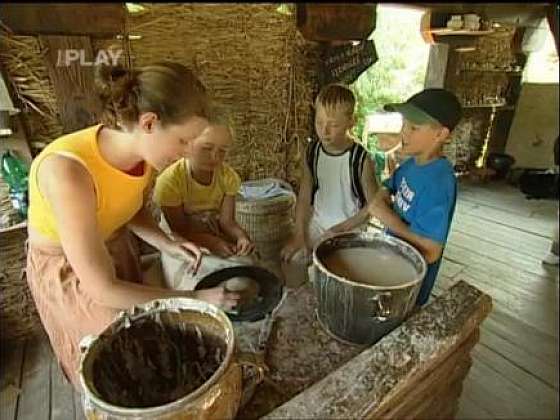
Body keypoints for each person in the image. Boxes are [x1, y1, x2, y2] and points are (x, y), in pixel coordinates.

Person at [25, 62, 240, 389]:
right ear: (149, 122)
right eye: (184, 141)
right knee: (115, 355)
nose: (186, 155)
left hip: (112, 244)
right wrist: (194, 299)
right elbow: (102, 289)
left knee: (143, 339)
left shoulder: (145, 154)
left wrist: (166, 242)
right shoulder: (68, 173)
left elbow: (129, 205)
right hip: (68, 269)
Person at [368, 88, 462, 307]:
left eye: (414, 128)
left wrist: (388, 218)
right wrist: (383, 195)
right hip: (392, 263)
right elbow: (389, 186)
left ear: (440, 134)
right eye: (404, 125)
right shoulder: (412, 163)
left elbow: (431, 251)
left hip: (409, 284)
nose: (404, 133)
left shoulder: (439, 183)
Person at [153, 109, 256, 289]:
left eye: (222, 151)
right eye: (207, 148)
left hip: (214, 230)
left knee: (247, 271)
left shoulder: (228, 177)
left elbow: (227, 222)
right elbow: (180, 230)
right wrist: (213, 243)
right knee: (196, 283)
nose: (215, 157)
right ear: (188, 144)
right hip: (179, 240)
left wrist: (241, 237)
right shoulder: (170, 182)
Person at [281, 83, 378, 264]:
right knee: (292, 260)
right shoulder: (312, 152)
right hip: (317, 226)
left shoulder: (360, 160)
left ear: (352, 122)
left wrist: (339, 229)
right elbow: (304, 196)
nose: (324, 131)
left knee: (332, 270)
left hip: (350, 230)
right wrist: (299, 235)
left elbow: (374, 206)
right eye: (319, 122)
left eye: (333, 125)